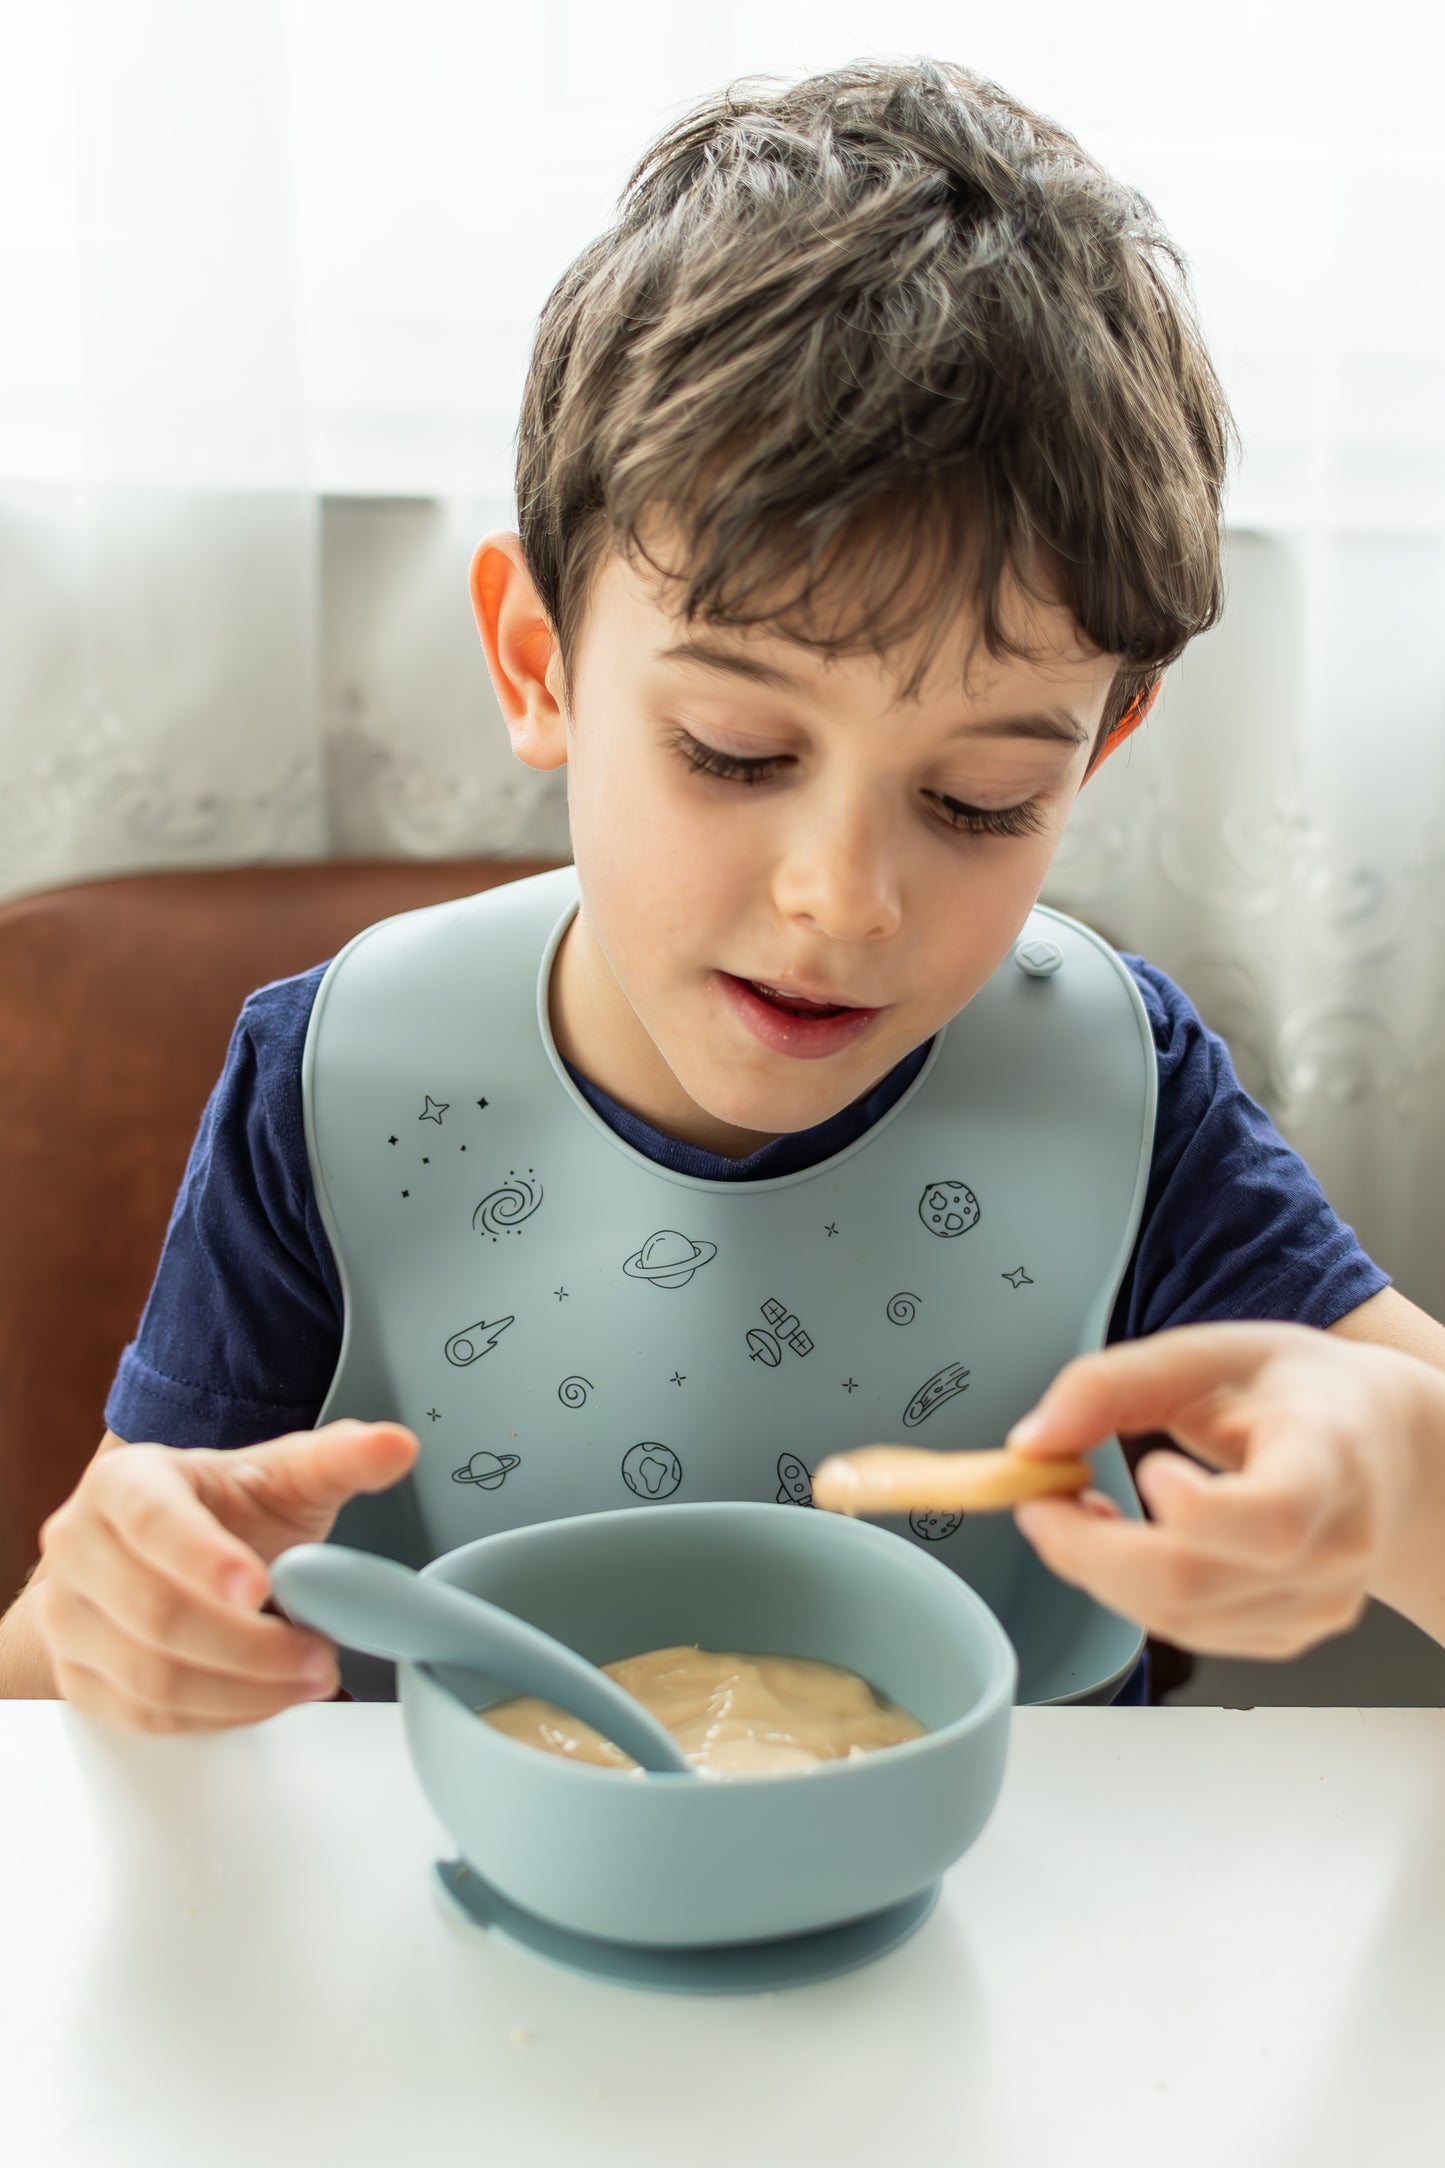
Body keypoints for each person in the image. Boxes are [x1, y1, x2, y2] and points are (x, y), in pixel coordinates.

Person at [4, 56, 1444, 1729]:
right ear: (539, 662)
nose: (844, 900)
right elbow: (46, 1683)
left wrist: (1396, 1477)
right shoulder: (335, 1088)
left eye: (981, 800)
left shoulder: (1120, 1090)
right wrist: (107, 1621)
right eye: (735, 751)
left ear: (1099, 750)